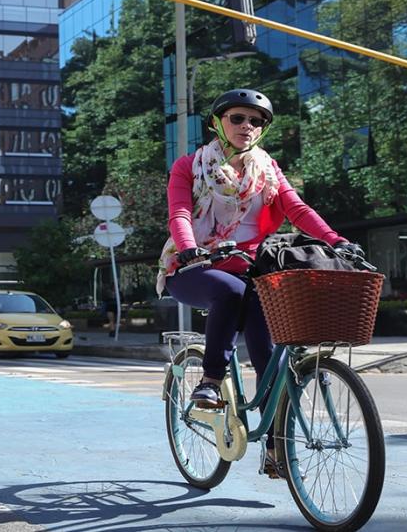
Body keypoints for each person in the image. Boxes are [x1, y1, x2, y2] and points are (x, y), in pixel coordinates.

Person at [156, 88, 364, 477]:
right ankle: (211, 382)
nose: (247, 126)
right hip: (192, 268)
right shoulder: (189, 166)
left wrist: (337, 241)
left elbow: (296, 209)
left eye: (256, 121)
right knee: (230, 291)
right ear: (218, 123)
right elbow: (180, 212)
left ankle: (275, 450)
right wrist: (188, 249)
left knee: (270, 352)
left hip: (253, 270)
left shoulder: (268, 170)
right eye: (238, 118)